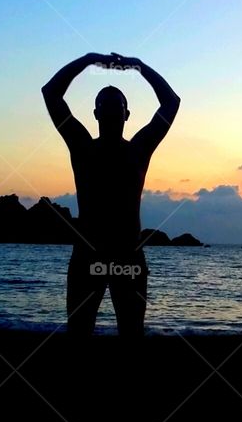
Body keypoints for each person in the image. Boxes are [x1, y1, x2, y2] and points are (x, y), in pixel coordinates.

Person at [42, 52, 180, 337]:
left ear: (127, 114)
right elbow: (51, 93)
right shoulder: (82, 147)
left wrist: (139, 66)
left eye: (117, 104)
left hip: (128, 255)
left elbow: (171, 102)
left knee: (131, 334)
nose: (110, 107)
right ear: (95, 113)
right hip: (87, 254)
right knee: (79, 333)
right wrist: (88, 59)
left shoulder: (138, 149)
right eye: (104, 103)